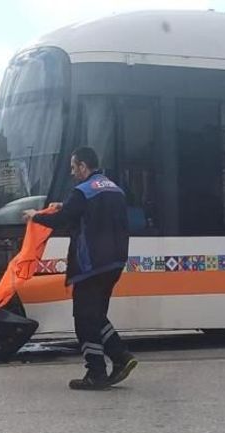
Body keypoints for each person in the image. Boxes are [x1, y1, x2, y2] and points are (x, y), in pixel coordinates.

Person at [24, 147, 137, 390]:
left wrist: (36, 216)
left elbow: (62, 220)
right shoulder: (115, 189)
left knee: (84, 319)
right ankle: (121, 357)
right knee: (96, 315)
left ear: (84, 166)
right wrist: (63, 206)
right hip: (114, 263)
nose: (73, 172)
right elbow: (82, 214)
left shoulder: (82, 191)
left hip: (91, 265)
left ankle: (96, 372)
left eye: (74, 167)